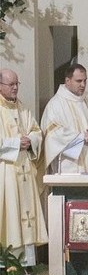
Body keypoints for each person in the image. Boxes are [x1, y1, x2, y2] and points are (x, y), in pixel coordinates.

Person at [0, 70, 46, 264]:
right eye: (11, 84)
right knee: (10, 216)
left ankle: (27, 267)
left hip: (25, 169)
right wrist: (16, 143)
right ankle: (8, 265)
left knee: (26, 217)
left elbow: (36, 130)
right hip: (6, 171)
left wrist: (31, 140)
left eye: (17, 83)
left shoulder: (22, 107)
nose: (15, 87)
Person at [41, 63, 88, 175]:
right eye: (79, 81)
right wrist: (81, 138)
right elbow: (53, 134)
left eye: (85, 81)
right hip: (70, 163)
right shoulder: (55, 104)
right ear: (68, 81)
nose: (83, 85)